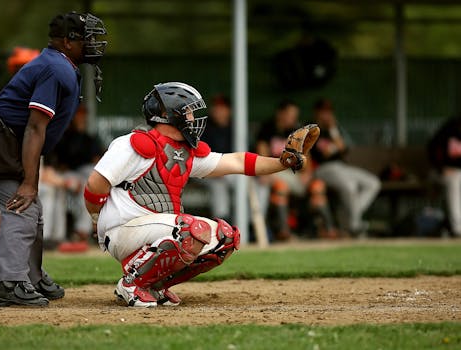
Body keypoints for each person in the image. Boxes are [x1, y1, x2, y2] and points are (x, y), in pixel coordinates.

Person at [84, 82, 313, 308]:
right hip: (123, 230)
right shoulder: (133, 144)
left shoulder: (182, 152)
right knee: (190, 230)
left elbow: (237, 161)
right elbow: (95, 185)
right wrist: (96, 219)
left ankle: (154, 284)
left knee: (225, 238)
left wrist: (283, 162)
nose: (193, 118)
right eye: (189, 112)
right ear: (168, 114)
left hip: (156, 231)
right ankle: (132, 284)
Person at [0, 12, 107, 307]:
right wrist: (30, 181)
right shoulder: (57, 68)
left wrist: (32, 180)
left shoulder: (60, 64)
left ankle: (30, 277)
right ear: (68, 42)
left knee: (34, 208)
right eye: (87, 38)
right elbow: (34, 127)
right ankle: (9, 284)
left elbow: (34, 132)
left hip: (6, 136)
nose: (93, 44)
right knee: (22, 207)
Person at [255, 99, 336, 240]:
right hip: (275, 173)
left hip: (295, 176)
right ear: (280, 114)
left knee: (318, 187)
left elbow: (307, 161)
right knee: (281, 187)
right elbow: (262, 157)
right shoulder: (268, 129)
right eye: (290, 115)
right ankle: (284, 232)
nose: (293, 119)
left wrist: (306, 173)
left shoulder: (297, 131)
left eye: (294, 116)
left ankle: (328, 231)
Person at [310, 98, 380, 236]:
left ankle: (348, 216)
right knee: (350, 186)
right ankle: (354, 225)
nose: (327, 115)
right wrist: (333, 145)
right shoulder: (311, 128)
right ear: (317, 113)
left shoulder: (334, 129)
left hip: (340, 167)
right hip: (322, 169)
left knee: (373, 183)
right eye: (323, 112)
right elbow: (324, 153)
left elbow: (342, 148)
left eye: (329, 112)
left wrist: (332, 128)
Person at [40, 104, 103, 251]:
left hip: (78, 177)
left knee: (88, 178)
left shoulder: (88, 138)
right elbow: (53, 168)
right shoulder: (61, 136)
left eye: (83, 115)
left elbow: (97, 160)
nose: (82, 118)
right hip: (59, 176)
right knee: (56, 189)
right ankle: (51, 237)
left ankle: (80, 231)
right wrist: (63, 180)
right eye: (79, 115)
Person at [200, 94, 234, 221]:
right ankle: (222, 223)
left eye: (221, 108)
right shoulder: (204, 126)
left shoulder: (236, 126)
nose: (217, 111)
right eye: (216, 107)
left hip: (230, 170)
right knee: (218, 184)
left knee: (247, 182)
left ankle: (250, 223)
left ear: (228, 110)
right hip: (207, 169)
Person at [428, 115, 461, 237]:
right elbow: (432, 151)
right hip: (438, 173)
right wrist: (441, 168)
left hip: (458, 174)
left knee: (457, 177)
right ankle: (457, 228)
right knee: (455, 180)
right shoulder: (447, 132)